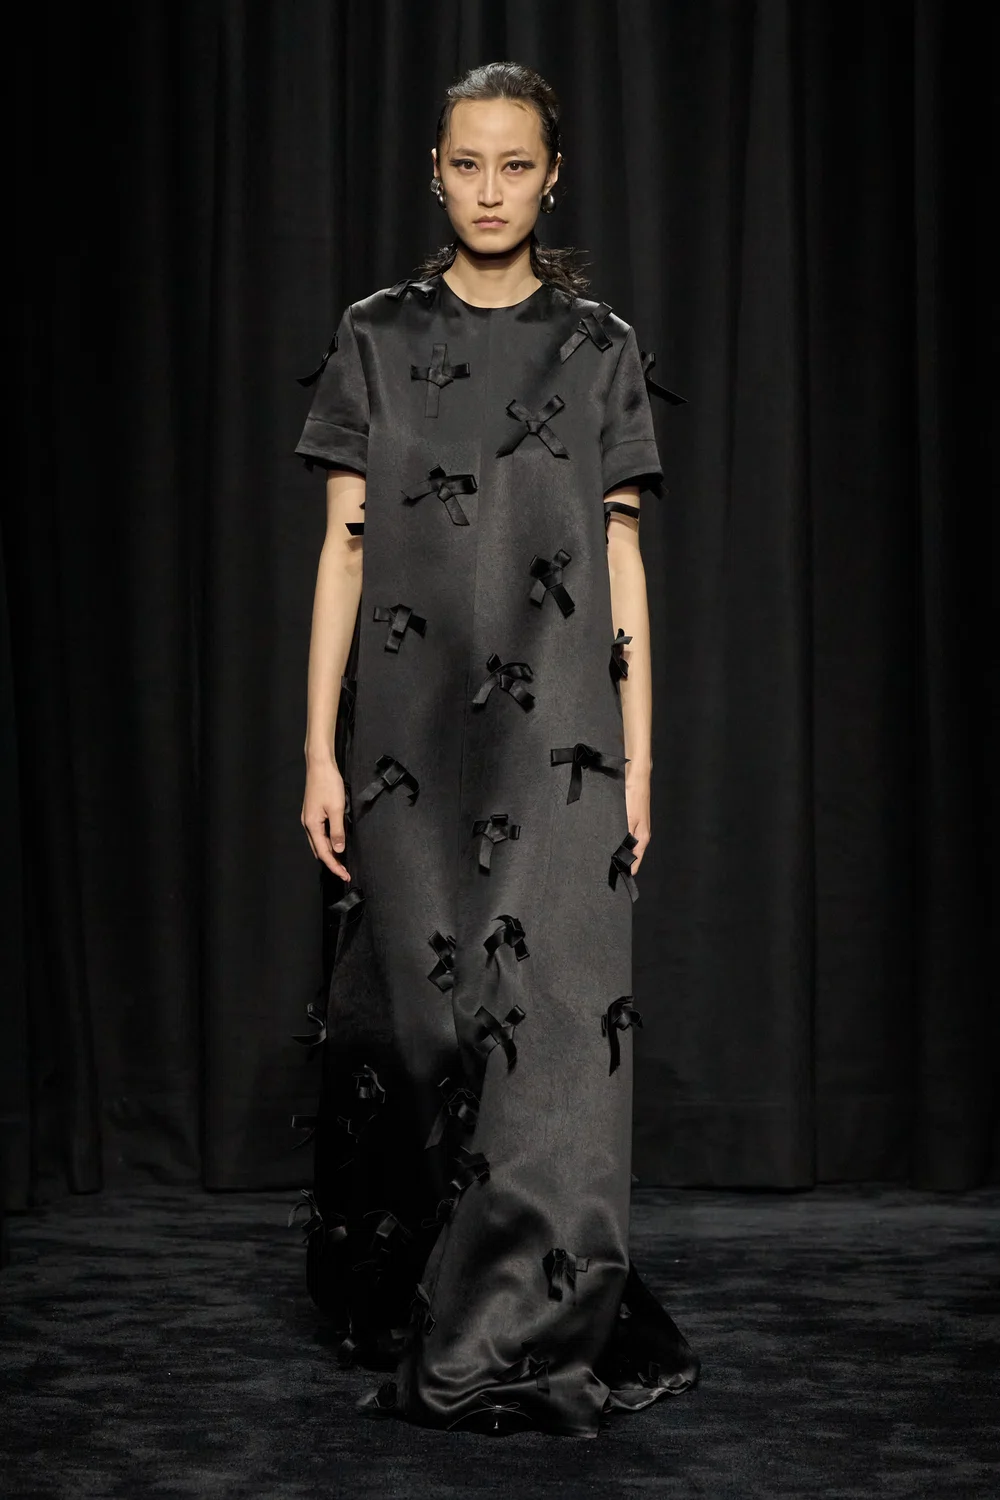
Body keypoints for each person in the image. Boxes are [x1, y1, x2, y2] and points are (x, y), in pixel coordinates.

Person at [292, 60, 699, 1438]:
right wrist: (317, 750)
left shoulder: (596, 350)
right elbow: (344, 552)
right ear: (434, 171)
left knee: (555, 1036)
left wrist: (640, 761)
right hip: (408, 735)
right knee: (419, 1025)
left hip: (559, 735)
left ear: (551, 178)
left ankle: (523, 1324)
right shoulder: (375, 338)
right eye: (467, 164)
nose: (489, 191)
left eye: (514, 165)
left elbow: (623, 563)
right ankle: (420, 1285)